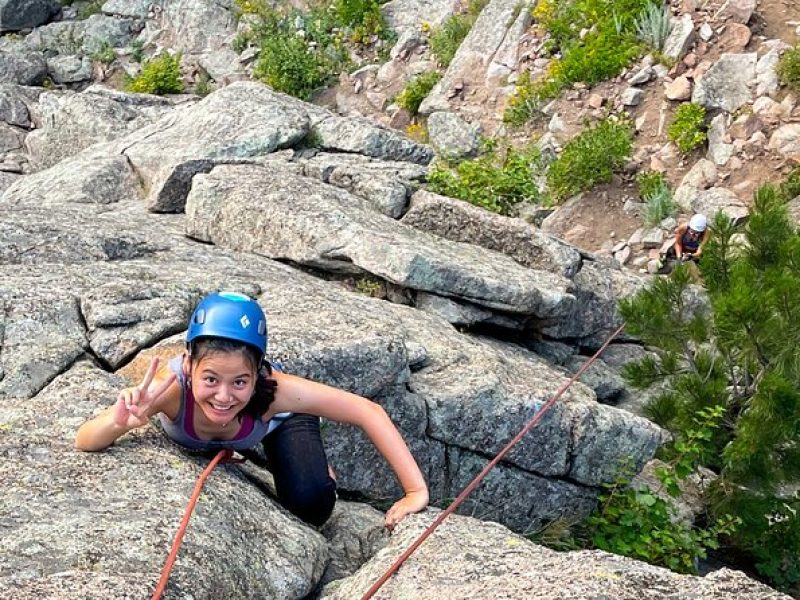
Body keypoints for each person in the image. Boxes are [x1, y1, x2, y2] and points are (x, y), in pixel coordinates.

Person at [75, 291, 429, 529]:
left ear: (258, 372)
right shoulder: (169, 394)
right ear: (188, 365)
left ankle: (318, 466)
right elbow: (85, 440)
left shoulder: (276, 393)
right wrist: (119, 423)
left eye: (240, 382)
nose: (224, 396)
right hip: (237, 431)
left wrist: (416, 492)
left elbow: (368, 411)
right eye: (211, 379)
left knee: (311, 506)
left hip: (277, 424)